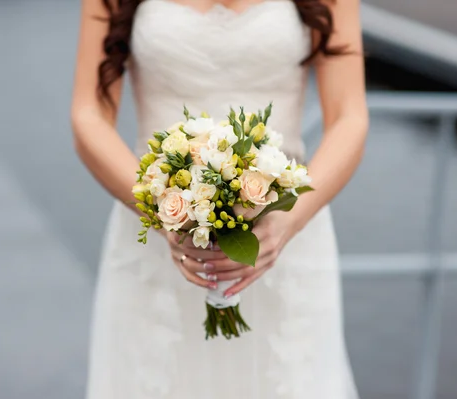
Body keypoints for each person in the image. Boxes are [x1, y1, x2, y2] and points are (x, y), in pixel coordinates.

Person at [71, 0, 368, 397]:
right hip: (156, 239)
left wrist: (290, 218)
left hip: (288, 235)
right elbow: (88, 114)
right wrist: (162, 213)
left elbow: (350, 115)